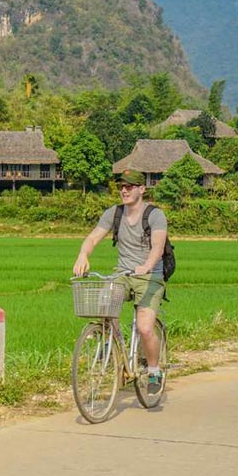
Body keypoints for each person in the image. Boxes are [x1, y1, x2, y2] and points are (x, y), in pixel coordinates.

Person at [72, 169, 168, 394]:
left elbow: (158, 248)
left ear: (141, 189)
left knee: (145, 327)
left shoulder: (154, 215)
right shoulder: (114, 213)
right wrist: (83, 255)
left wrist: (146, 265)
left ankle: (154, 369)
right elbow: (94, 237)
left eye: (130, 186)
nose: (124, 190)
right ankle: (112, 344)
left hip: (150, 275)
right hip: (123, 273)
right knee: (105, 303)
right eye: (121, 187)